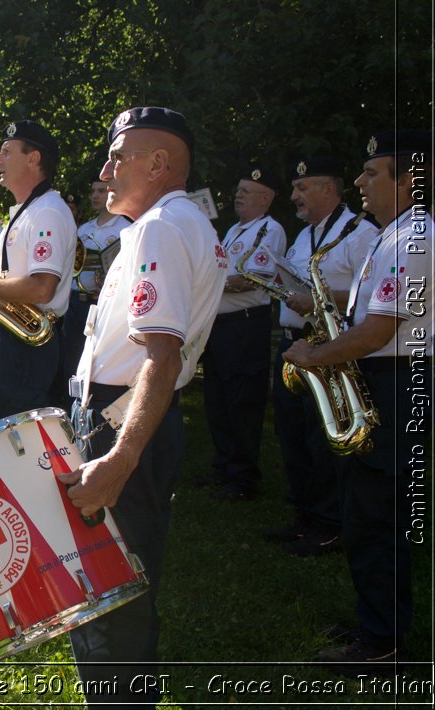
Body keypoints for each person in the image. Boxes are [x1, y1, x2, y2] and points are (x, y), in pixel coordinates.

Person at [56, 108, 226, 708]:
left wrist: (121, 457)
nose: (105, 171)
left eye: (117, 157)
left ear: (158, 164)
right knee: (115, 588)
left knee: (112, 596)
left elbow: (163, 356)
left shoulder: (162, 227)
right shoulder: (167, 223)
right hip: (118, 415)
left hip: (123, 423)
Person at [283, 129, 432, 672]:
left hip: (393, 380)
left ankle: (383, 643)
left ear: (409, 179)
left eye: (373, 173)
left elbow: (375, 333)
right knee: (364, 511)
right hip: (382, 377)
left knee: (376, 516)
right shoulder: (391, 234)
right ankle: (377, 622)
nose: (362, 182)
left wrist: (313, 356)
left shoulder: (413, 237)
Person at [268, 157, 376, 554]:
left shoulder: (360, 233)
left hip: (329, 346)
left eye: (303, 188)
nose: (294, 195)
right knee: (292, 431)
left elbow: (372, 296)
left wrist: (315, 300)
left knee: (321, 437)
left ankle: (330, 523)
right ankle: (305, 515)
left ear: (329, 190)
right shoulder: (304, 235)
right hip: (296, 345)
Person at [0, 119, 76, 423]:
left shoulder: (48, 211)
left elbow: (42, 288)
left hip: (24, 345)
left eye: (6, 152)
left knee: (12, 435)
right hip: (10, 335)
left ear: (33, 158)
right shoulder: (30, 210)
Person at [199, 167, 287, 501]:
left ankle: (244, 477)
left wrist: (209, 283)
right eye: (238, 190)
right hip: (221, 326)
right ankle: (223, 466)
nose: (238, 195)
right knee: (218, 398)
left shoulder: (270, 229)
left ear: (266, 197)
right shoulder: (234, 230)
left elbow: (254, 279)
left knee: (242, 401)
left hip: (246, 325)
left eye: (248, 191)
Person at [60, 172, 131, 398]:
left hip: (104, 306)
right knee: (71, 360)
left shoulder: (126, 227)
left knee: (97, 362)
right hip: (76, 304)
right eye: (93, 191)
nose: (95, 196)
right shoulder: (84, 230)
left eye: (101, 191)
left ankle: (93, 404)